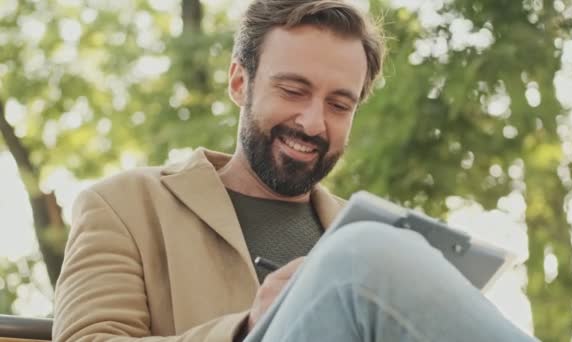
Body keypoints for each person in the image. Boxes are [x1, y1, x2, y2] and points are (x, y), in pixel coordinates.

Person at [53, 0, 538, 341]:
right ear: (240, 81)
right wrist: (243, 330)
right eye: (293, 90)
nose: (312, 122)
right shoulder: (124, 205)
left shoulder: (365, 233)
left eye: (339, 104)